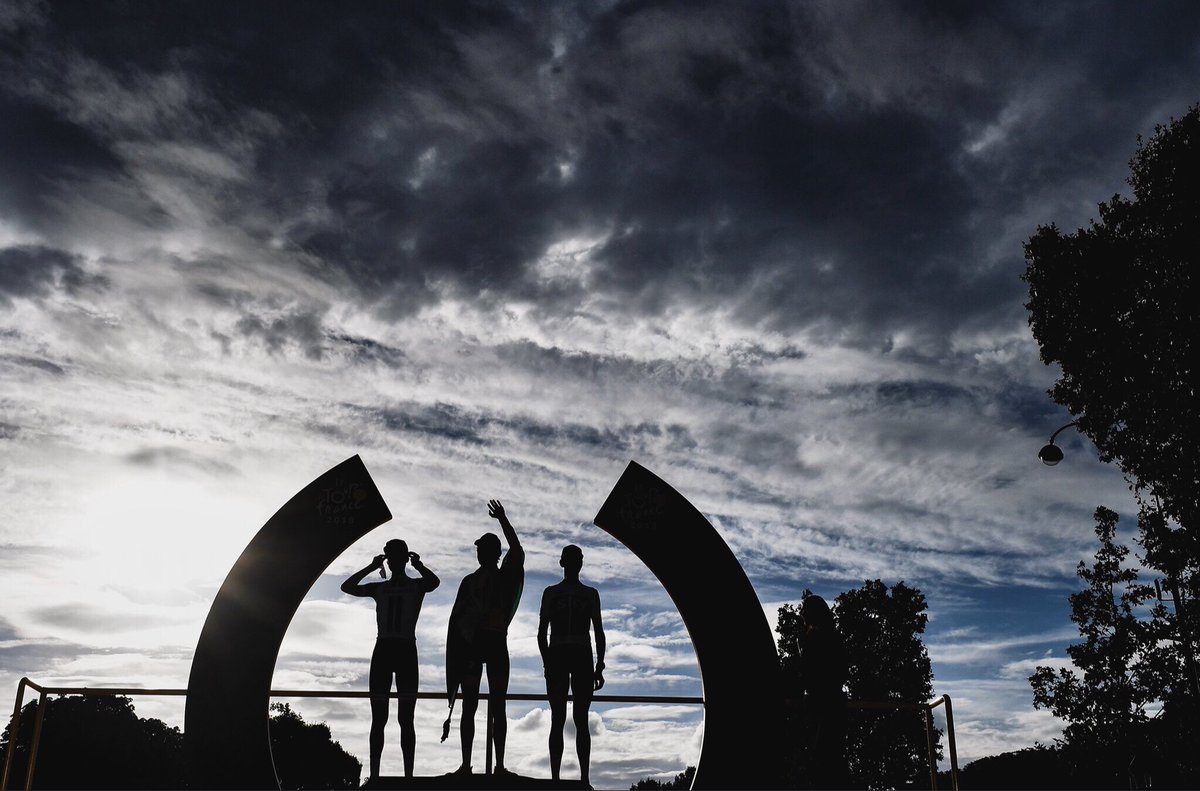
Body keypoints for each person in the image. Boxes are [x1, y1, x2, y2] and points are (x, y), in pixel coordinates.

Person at [341, 539, 440, 780]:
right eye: (390, 556)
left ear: (404, 558)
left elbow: (434, 582)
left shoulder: (416, 585)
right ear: (387, 558)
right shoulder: (379, 588)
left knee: (406, 717)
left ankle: (408, 777)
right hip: (384, 649)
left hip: (405, 648)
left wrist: (419, 565)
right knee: (379, 717)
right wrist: (372, 566)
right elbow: (347, 586)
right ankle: (375, 775)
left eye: (398, 556)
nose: (394, 560)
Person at [445, 500, 524, 776]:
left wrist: (503, 520)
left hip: (493, 642)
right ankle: (467, 765)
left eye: (482, 548)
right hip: (473, 644)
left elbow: (517, 551)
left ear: (491, 552)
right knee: (471, 705)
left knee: (496, 704)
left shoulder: (504, 577)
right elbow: (456, 620)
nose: (479, 552)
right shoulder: (469, 581)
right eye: (479, 549)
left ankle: (498, 765)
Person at [538, 544, 605, 788]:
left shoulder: (590, 594)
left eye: (577, 559)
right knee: (559, 717)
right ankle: (557, 779)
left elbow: (598, 632)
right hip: (561, 654)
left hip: (579, 655)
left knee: (580, 718)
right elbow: (541, 633)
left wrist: (599, 665)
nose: (575, 563)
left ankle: (584, 778)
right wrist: (547, 662)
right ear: (563, 563)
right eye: (571, 559)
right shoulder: (551, 593)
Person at [798, 593, 848, 789]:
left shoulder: (817, 638)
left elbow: (808, 671)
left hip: (824, 705)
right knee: (828, 760)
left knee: (822, 761)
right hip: (830, 703)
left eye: (804, 609)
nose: (801, 613)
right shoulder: (830, 637)